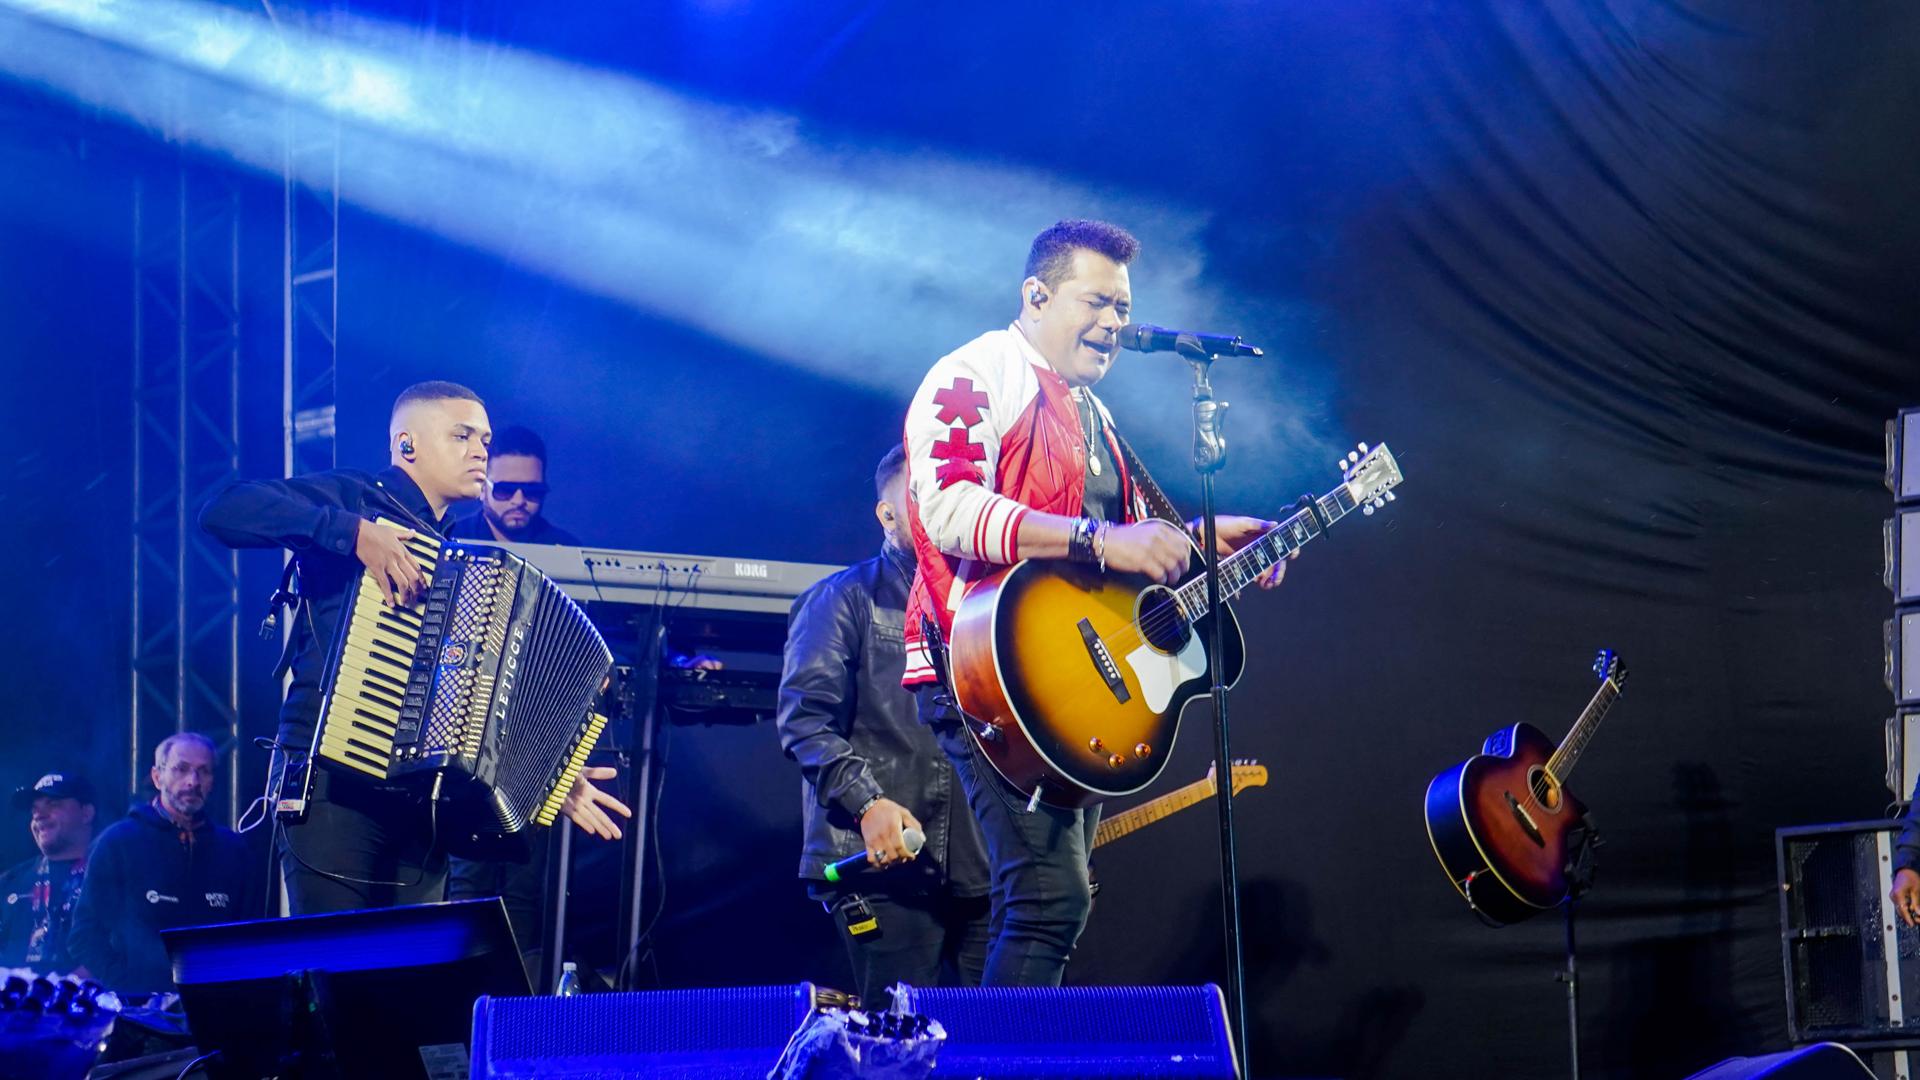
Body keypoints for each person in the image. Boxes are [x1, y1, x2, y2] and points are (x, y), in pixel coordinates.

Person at [899, 219, 1286, 987]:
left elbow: (1126, 552)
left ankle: (999, 1045)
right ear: (1036, 296)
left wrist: (1199, 539)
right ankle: (998, 1053)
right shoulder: (976, 372)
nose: (1114, 323)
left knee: (1055, 905)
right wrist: (1104, 541)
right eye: (1098, 302)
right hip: (982, 670)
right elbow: (946, 508)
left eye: (1123, 308)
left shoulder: (1094, 416)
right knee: (1050, 901)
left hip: (1073, 678)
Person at [199, 381, 629, 916]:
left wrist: (542, 776)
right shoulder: (358, 498)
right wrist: (353, 532)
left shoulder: (459, 556)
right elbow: (223, 510)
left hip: (420, 807)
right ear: (407, 444)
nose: (480, 451)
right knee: (337, 962)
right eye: (462, 436)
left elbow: (477, 708)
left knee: (409, 969)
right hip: (332, 792)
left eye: (485, 440)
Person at [776, 445, 991, 1002]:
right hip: (882, 868)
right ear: (886, 513)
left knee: (997, 1037)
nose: (936, 506)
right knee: (899, 1036)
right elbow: (805, 720)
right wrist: (867, 803)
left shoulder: (988, 603)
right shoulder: (841, 599)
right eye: (919, 494)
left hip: (985, 868)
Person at [68, 734, 257, 993]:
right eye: (181, 769)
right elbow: (84, 935)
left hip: (216, 1006)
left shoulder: (234, 849)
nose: (193, 781)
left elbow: (248, 936)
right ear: (157, 777)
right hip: (142, 1010)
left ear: (212, 781)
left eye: (204, 771)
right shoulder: (118, 842)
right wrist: (128, 987)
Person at [0, 773, 96, 974]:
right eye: (34, 809)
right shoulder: (9, 883)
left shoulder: (112, 878)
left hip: (89, 994)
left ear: (86, 813)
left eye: (53, 804)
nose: (38, 815)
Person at [447, 425, 582, 545]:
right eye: (505, 490)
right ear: (482, 488)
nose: (519, 501)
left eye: (532, 491)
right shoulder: (449, 540)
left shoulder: (567, 548)